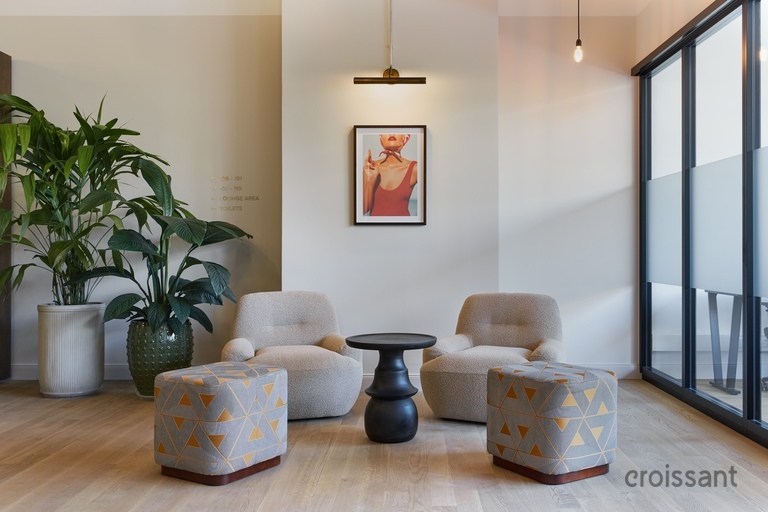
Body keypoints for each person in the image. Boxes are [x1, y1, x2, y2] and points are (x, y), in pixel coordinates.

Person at [362, 133, 418, 216]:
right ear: (381, 139)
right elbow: (363, 210)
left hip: (405, 228)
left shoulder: (415, 168)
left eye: (398, 131)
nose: (392, 134)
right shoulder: (370, 168)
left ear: (405, 138)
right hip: (373, 228)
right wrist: (370, 179)